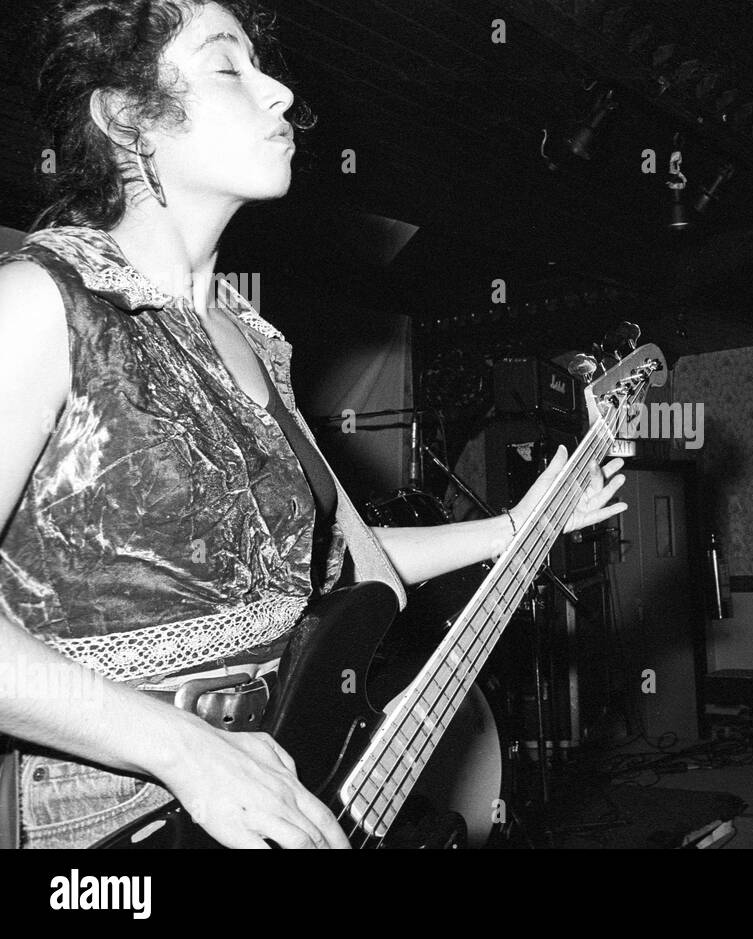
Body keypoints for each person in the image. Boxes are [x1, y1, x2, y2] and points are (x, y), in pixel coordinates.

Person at [0, 0, 626, 849]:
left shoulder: (257, 343)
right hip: (107, 814)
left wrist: (524, 522)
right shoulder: (40, 301)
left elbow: (348, 571)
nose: (281, 92)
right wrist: (185, 750)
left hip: (278, 781)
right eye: (230, 67)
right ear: (125, 117)